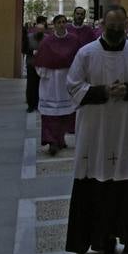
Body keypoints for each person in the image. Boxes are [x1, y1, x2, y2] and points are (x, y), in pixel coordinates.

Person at [65, 4, 128, 254]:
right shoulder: (86, 54)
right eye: (111, 25)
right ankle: (103, 239)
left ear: (127, 24)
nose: (116, 30)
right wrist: (104, 92)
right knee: (99, 185)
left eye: (120, 25)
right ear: (103, 24)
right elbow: (73, 86)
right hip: (97, 132)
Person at [35, 14, 81, 155]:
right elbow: (40, 62)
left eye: (64, 22)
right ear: (54, 25)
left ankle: (60, 139)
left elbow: (79, 59)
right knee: (50, 114)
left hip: (66, 79)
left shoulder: (73, 40)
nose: (61, 25)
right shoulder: (47, 42)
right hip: (51, 81)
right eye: (59, 22)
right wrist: (44, 73)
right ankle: (51, 141)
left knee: (64, 113)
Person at [23, 15, 48, 112]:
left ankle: (39, 103)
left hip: (42, 65)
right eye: (38, 31)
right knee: (31, 85)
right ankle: (30, 104)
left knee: (41, 85)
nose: (40, 33)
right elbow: (24, 49)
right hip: (31, 64)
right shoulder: (29, 38)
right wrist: (32, 52)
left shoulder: (47, 38)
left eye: (41, 31)